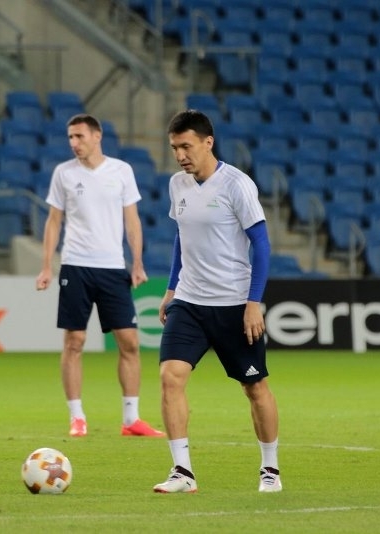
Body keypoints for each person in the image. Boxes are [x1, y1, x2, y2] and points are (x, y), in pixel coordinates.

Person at [152, 110, 281, 493]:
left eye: (186, 146)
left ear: (208, 142)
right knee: (170, 377)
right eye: (174, 148)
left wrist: (253, 302)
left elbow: (261, 244)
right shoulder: (177, 184)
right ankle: (182, 472)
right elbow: (181, 236)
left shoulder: (236, 184)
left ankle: (270, 470)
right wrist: (172, 289)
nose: (180, 155)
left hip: (233, 305)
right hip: (189, 301)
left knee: (255, 388)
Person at [35, 113, 164, 438]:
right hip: (76, 265)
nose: (74, 143)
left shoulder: (121, 171)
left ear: (97, 136)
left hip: (112, 267)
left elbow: (132, 221)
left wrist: (137, 262)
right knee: (74, 341)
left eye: (79, 136)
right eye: (70, 137)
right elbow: (54, 221)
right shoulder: (64, 173)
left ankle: (131, 419)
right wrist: (47, 265)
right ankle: (77, 417)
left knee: (130, 342)